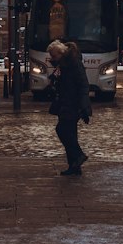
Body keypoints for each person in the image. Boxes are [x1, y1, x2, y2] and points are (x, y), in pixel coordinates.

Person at [47, 39, 91, 176]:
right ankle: (74, 166)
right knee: (70, 133)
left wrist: (83, 106)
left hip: (72, 103)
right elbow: (58, 79)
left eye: (54, 56)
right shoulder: (63, 64)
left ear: (61, 53)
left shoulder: (73, 63)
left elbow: (83, 84)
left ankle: (78, 156)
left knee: (62, 130)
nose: (52, 59)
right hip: (65, 102)